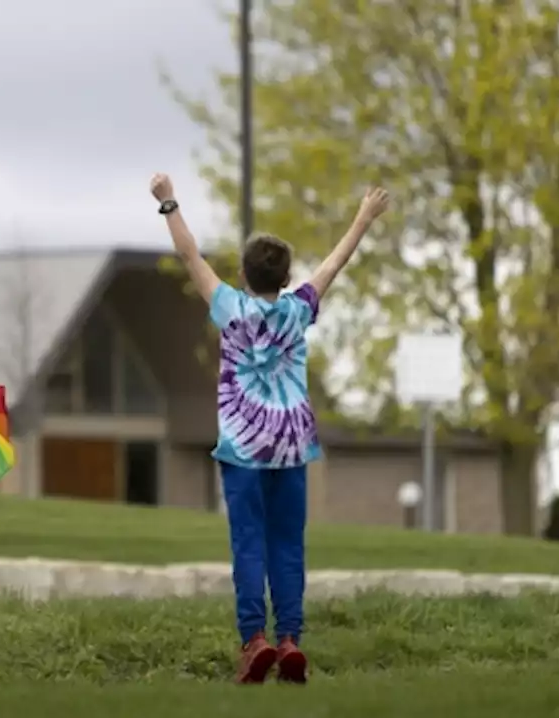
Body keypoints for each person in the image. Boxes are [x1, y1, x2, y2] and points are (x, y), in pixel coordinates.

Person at [149, 174, 389, 684]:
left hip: (242, 450)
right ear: (285, 279)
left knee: (249, 544)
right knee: (288, 545)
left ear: (242, 272)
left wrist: (169, 202)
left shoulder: (230, 308)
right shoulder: (298, 311)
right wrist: (362, 219)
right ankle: (290, 640)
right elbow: (334, 264)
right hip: (290, 448)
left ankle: (254, 639)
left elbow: (190, 256)